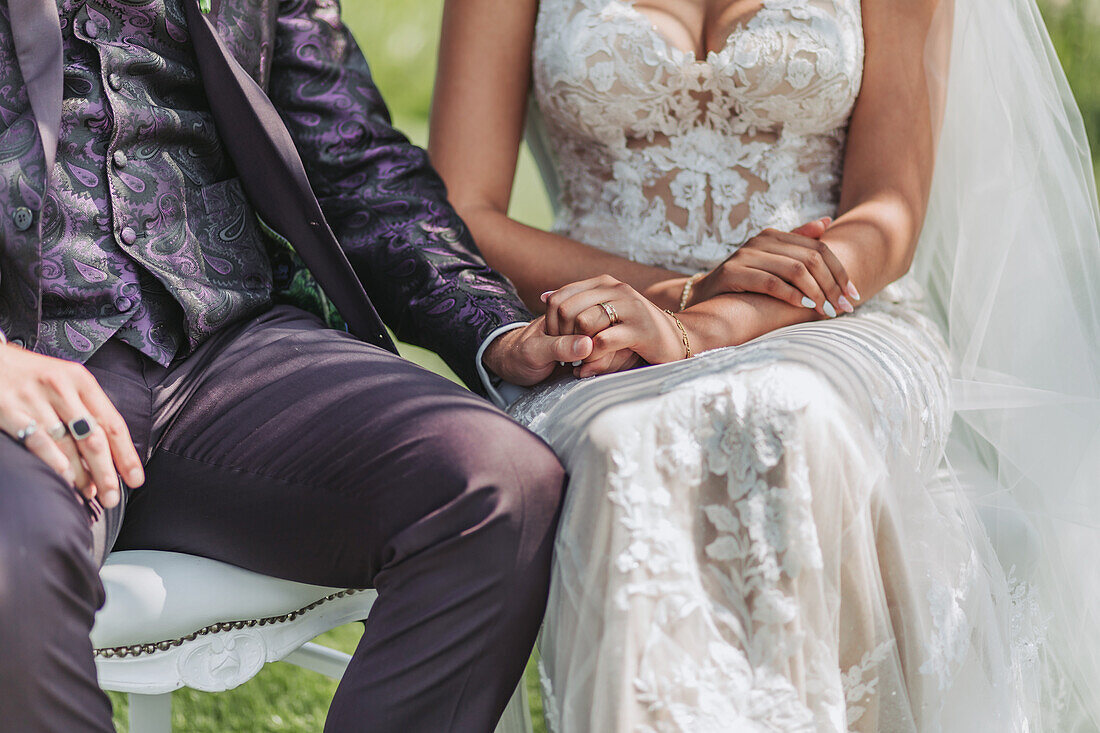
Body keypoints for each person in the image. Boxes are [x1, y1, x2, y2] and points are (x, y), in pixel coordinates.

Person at [429, 0, 1100, 729]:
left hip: (837, 315)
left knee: (790, 411)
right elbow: (463, 207)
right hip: (603, 328)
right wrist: (672, 298)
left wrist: (703, 324)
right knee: (623, 443)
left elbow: (888, 213)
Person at [0, 0, 593, 730]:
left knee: (497, 481)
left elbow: (353, 158)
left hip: (225, 340)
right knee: (9, 561)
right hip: (20, 365)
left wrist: (497, 329)